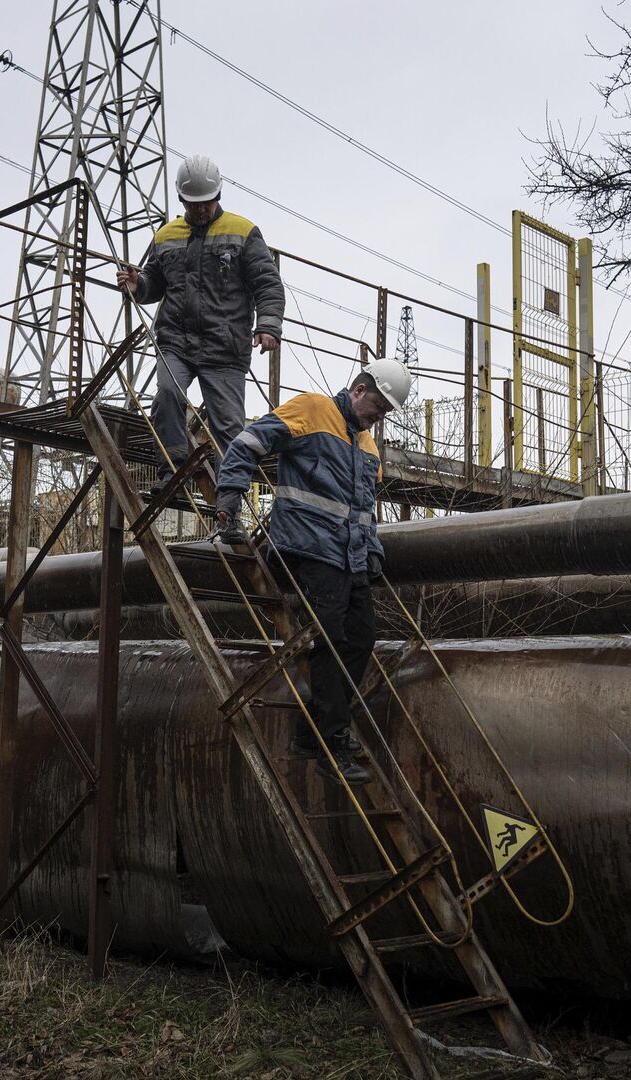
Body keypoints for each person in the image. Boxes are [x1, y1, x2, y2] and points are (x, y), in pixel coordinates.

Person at [213, 358, 412, 786]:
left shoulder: (369, 447)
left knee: (362, 637)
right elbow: (247, 442)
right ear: (359, 390)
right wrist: (229, 496)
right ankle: (333, 743)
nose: (380, 416)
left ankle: (311, 732)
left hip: (351, 558)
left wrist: (372, 552)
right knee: (330, 637)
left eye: (386, 412)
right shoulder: (311, 409)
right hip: (307, 547)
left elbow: (363, 512)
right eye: (378, 405)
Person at [116, 155, 285, 478]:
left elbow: (268, 284)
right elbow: (153, 283)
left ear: (218, 195)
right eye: (194, 204)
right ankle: (172, 471)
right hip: (176, 341)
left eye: (207, 202)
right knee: (167, 393)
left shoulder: (243, 231)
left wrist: (267, 326)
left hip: (225, 347)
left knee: (228, 427)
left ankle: (230, 502)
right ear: (182, 199)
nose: (201, 209)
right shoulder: (166, 236)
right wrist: (139, 286)